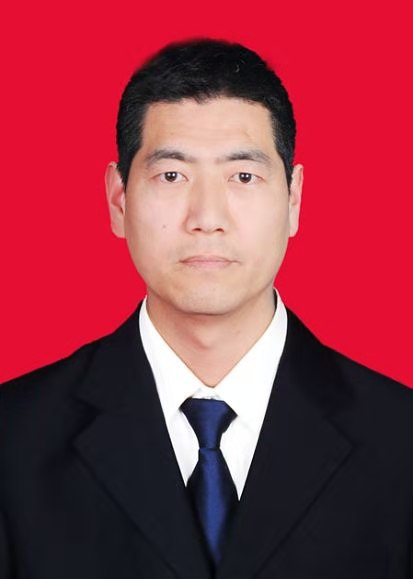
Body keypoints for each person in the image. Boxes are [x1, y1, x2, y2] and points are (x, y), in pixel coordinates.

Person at [1, 38, 412, 579]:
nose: (207, 217)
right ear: (119, 199)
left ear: (293, 198)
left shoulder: (400, 441)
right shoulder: (14, 441)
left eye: (243, 176)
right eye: (172, 176)